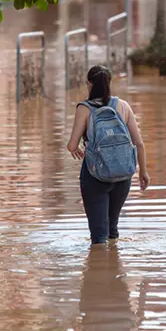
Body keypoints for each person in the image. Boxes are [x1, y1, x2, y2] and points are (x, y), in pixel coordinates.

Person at [67, 65, 150, 245]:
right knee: (112, 231)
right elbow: (139, 143)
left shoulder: (84, 109)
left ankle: (99, 269)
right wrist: (143, 172)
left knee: (99, 237)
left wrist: (76, 149)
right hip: (122, 175)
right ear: (109, 83)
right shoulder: (123, 106)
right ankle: (115, 269)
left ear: (89, 84)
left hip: (94, 175)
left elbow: (72, 145)